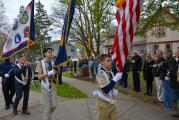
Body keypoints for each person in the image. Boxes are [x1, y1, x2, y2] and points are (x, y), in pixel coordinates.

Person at [93, 54, 122, 120]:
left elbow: (111, 85)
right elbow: (105, 89)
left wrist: (114, 90)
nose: (111, 62)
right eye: (108, 60)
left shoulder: (110, 72)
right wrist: (115, 79)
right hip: (103, 104)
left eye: (111, 60)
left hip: (112, 102)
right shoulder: (100, 74)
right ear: (102, 62)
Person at [36, 47, 57, 120]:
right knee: (47, 107)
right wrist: (48, 73)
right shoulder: (40, 63)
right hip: (45, 86)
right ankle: (47, 117)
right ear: (45, 53)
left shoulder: (53, 62)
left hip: (53, 85)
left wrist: (57, 69)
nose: (50, 53)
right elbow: (39, 77)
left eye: (51, 51)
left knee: (54, 105)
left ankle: (47, 116)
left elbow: (58, 73)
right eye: (49, 52)